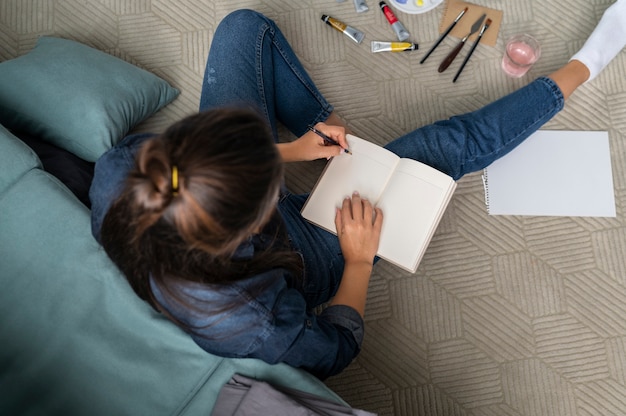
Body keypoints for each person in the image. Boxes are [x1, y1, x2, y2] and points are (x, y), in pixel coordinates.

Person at [90, 2, 626, 380]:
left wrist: (296, 149)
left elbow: (228, 157)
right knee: (447, 144)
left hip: (219, 213)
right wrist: (358, 261)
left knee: (243, 28)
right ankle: (588, 63)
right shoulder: (253, 321)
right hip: (299, 257)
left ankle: (340, 141)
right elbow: (337, 348)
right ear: (253, 219)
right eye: (266, 185)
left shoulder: (125, 170)